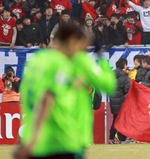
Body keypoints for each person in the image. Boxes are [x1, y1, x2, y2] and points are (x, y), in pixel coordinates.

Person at [15, 23, 116, 159]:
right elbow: (108, 85)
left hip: (34, 140)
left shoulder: (36, 60)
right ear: (73, 41)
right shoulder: (71, 62)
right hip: (61, 141)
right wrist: (101, 57)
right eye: (83, 46)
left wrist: (28, 140)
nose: (83, 50)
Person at [109, 58, 131, 144]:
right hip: (122, 101)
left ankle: (111, 138)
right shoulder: (125, 77)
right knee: (123, 120)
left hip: (113, 101)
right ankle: (122, 138)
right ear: (125, 66)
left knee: (115, 120)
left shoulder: (110, 75)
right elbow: (128, 90)